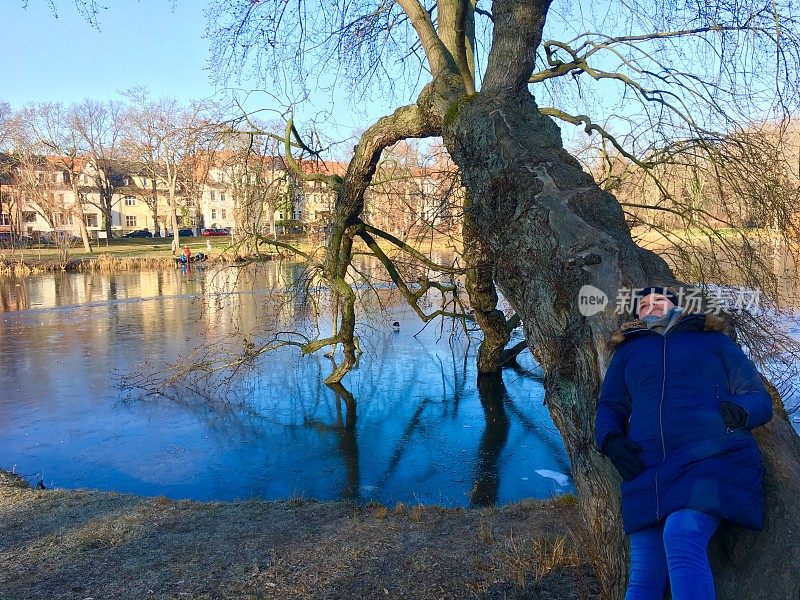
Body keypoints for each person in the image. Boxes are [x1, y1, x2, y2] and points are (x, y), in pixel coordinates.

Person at [595, 286, 773, 600]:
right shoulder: (628, 352)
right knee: (642, 577)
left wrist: (737, 412)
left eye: (658, 301)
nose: (651, 307)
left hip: (711, 457)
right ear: (637, 316)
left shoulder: (712, 341)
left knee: (682, 536)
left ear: (676, 306)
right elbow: (610, 406)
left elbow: (757, 396)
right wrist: (611, 441)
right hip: (647, 468)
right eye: (643, 305)